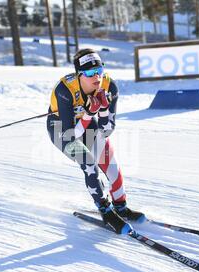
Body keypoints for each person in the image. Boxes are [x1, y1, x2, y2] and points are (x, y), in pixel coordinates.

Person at [46, 48, 146, 234]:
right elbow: (71, 135)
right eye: (90, 73)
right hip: (62, 129)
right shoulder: (65, 90)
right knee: (89, 163)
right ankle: (105, 211)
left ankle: (120, 206)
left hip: (86, 124)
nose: (97, 77)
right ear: (79, 75)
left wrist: (104, 110)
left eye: (99, 71)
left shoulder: (109, 86)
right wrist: (90, 113)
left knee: (111, 165)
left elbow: (107, 130)